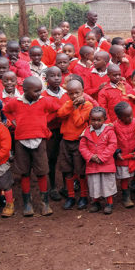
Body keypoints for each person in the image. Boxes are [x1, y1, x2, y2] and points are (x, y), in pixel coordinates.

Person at [3, 76, 60, 217]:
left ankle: (44, 203)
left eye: (40, 90)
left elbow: (56, 109)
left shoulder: (44, 101)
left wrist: (44, 121)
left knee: (41, 171)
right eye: (35, 91)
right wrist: (14, 122)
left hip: (39, 140)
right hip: (21, 141)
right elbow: (6, 111)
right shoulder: (15, 102)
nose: (38, 93)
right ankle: (27, 203)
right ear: (25, 90)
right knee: (24, 172)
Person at [57, 80, 93, 211]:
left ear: (82, 92)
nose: (74, 96)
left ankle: (83, 196)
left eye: (77, 93)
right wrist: (72, 105)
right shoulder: (68, 103)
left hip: (79, 141)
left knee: (81, 171)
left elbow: (78, 122)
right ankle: (71, 196)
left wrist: (76, 108)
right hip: (66, 141)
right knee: (67, 170)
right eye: (71, 94)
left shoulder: (88, 105)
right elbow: (60, 114)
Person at [80, 107, 118, 214]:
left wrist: (102, 157)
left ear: (105, 119)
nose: (96, 123)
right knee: (94, 183)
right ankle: (95, 202)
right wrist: (91, 156)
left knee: (107, 183)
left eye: (99, 120)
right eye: (93, 120)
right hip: (92, 165)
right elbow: (82, 147)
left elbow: (112, 145)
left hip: (106, 163)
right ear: (89, 119)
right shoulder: (86, 131)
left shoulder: (109, 131)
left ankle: (109, 203)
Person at [112, 102, 135, 208]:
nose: (130, 117)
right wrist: (117, 152)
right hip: (123, 157)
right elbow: (113, 141)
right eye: (127, 116)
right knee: (124, 178)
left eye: (131, 115)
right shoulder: (115, 126)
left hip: (134, 156)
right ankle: (126, 197)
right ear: (120, 117)